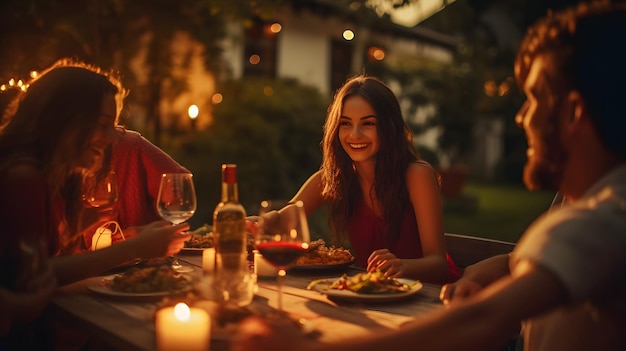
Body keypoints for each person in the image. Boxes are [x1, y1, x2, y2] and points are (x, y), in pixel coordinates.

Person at [233, 1, 626, 350]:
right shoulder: (580, 207)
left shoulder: (600, 221)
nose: (520, 118)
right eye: (346, 124)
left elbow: (481, 318)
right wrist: (486, 270)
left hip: (422, 309)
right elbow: (290, 213)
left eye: (535, 99)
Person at [0, 58, 191, 289]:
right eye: (102, 125)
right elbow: (32, 274)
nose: (112, 138)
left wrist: (79, 227)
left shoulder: (54, 175)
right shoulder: (23, 176)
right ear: (63, 120)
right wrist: (132, 249)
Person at [256, 74, 459, 284]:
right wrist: (259, 223)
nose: (355, 134)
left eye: (368, 123)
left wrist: (403, 265)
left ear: (389, 127)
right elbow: (287, 215)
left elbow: (438, 264)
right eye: (345, 123)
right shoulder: (334, 177)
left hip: (433, 295)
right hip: (373, 296)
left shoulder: (417, 175)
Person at [79, 128, 191, 250]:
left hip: (143, 262)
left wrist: (154, 231)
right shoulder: (59, 168)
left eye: (111, 124)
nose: (112, 136)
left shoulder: (128, 145)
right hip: (88, 265)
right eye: (103, 123)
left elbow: (180, 186)